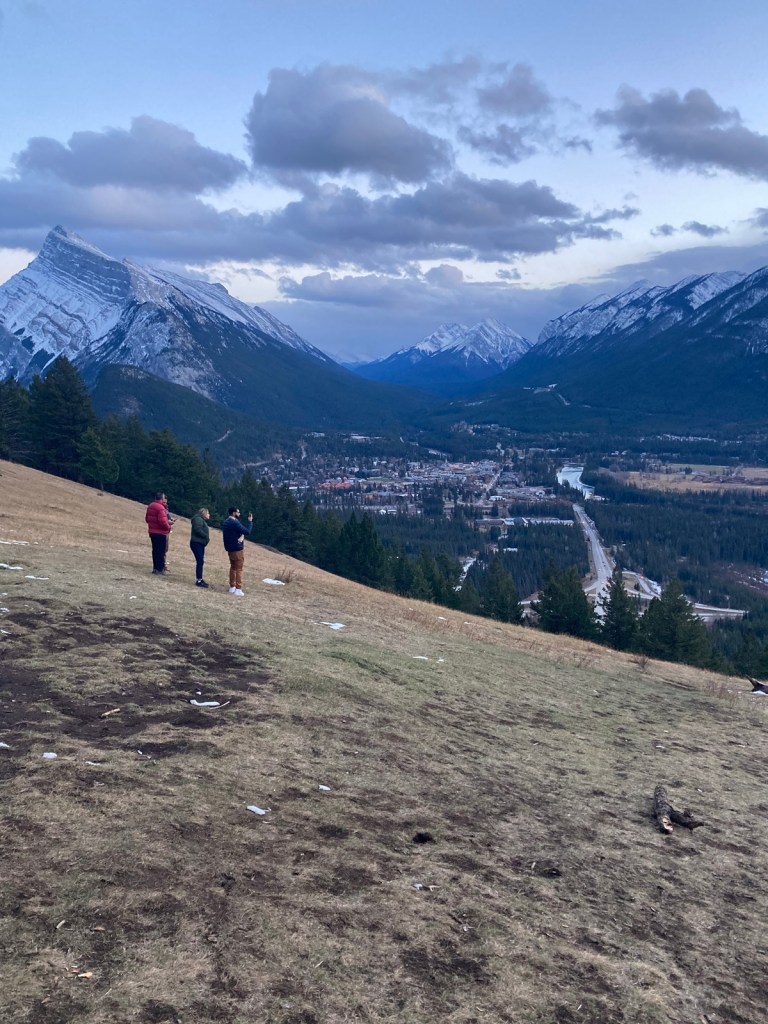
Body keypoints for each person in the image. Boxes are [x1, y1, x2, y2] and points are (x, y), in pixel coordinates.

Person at [222, 506, 253, 596]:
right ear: (234, 513)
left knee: (233, 567)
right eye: (238, 512)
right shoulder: (234, 522)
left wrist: (241, 535)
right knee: (239, 569)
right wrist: (250, 522)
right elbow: (247, 531)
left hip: (230, 548)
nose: (239, 514)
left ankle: (232, 587)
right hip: (237, 548)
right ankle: (238, 589)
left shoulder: (226, 522)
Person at [145, 492, 173, 575]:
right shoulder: (161, 508)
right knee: (161, 552)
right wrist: (168, 526)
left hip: (152, 531)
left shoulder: (151, 505)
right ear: (162, 499)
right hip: (160, 533)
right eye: (165, 498)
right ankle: (160, 569)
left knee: (155, 551)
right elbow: (162, 521)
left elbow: (147, 519)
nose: (165, 500)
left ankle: (155, 568)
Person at [190, 507, 211, 588]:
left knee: (200, 561)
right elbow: (197, 529)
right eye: (208, 513)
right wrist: (205, 536)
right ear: (204, 513)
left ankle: (200, 579)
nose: (209, 515)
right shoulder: (198, 519)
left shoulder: (200, 520)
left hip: (199, 543)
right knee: (200, 561)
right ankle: (199, 580)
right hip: (197, 543)